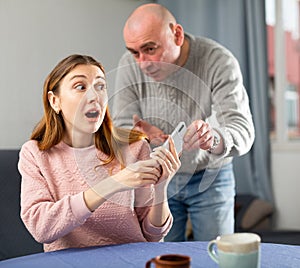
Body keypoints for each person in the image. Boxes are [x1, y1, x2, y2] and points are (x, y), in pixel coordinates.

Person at [110, 3, 255, 241]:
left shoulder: (218, 61)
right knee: (165, 258)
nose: (142, 63)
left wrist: (213, 138)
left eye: (150, 48)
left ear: (177, 34)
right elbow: (122, 131)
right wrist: (143, 139)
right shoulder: (130, 65)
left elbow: (243, 131)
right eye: (135, 52)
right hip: (157, 177)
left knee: (217, 257)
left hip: (211, 175)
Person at [18, 54, 181, 252]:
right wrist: (114, 183)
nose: (95, 96)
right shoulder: (35, 154)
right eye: (80, 87)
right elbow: (41, 228)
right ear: (55, 101)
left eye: (100, 86)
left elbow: (153, 235)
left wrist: (161, 187)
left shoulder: (135, 147)